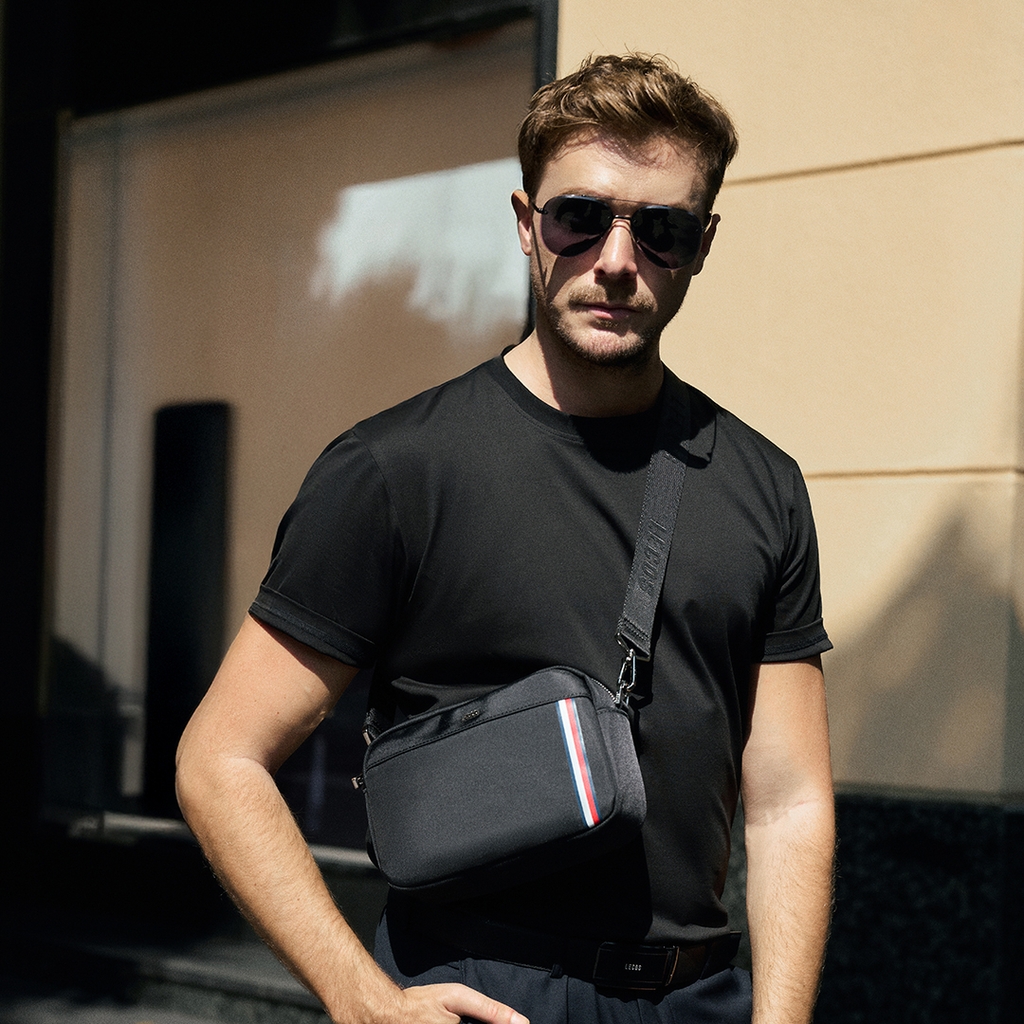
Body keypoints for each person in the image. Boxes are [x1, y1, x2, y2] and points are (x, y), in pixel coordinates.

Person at [176, 53, 835, 1024]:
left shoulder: (760, 484)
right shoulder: (394, 470)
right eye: (580, 217)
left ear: (701, 245)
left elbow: (789, 800)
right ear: (527, 224)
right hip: (479, 992)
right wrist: (362, 998)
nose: (617, 259)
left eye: (660, 228)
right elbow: (220, 758)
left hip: (696, 997)